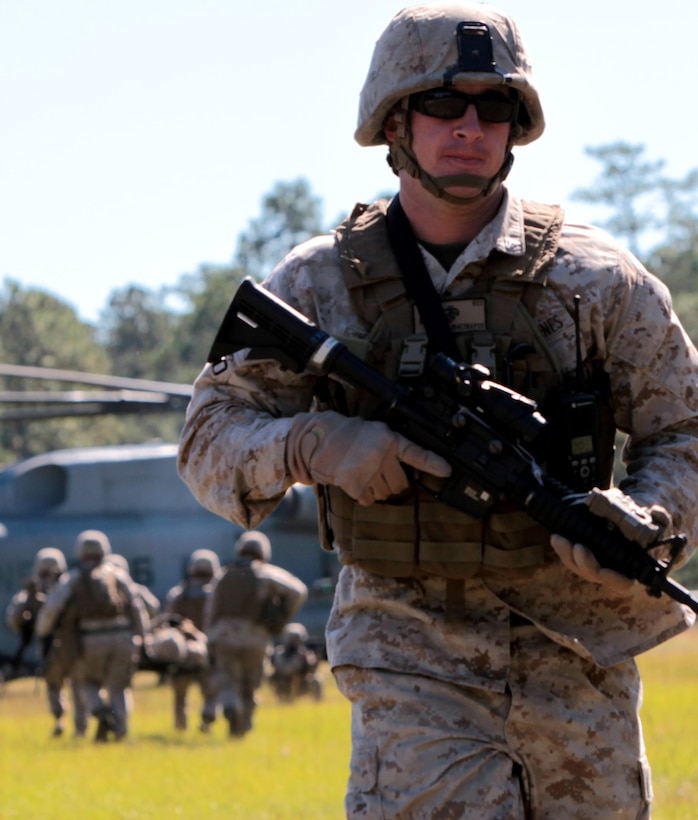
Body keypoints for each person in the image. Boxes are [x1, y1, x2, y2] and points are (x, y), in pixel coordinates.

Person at [178, 2, 698, 815]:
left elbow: (685, 432)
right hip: (407, 653)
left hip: (579, 663)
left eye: (495, 107)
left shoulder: (598, 282)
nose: (470, 126)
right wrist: (317, 443)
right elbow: (210, 442)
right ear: (394, 123)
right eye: (443, 105)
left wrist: (648, 514)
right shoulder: (322, 283)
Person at [36, 530, 150, 742]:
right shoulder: (117, 575)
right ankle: (120, 731)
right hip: (122, 638)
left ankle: (99, 710)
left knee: (86, 682)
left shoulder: (73, 578)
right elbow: (137, 606)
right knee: (118, 688)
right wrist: (143, 638)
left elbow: (52, 608)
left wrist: (42, 631)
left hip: (89, 640)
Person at [204, 531, 307, 737]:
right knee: (250, 686)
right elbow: (299, 591)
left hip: (224, 636)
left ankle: (231, 705)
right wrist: (281, 616)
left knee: (227, 680)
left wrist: (211, 638)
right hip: (256, 636)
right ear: (263, 552)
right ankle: (245, 728)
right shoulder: (266, 573)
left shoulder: (222, 575)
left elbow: (211, 611)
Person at [5, 547, 87, 737]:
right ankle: (76, 727)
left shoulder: (51, 591)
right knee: (73, 686)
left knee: (57, 686)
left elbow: (13, 619)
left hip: (53, 648)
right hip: (68, 646)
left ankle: (64, 721)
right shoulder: (69, 588)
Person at [162, 548, 220, 732]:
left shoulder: (178, 594)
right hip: (208, 651)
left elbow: (168, 621)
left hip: (183, 653)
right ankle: (208, 720)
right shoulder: (217, 593)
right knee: (211, 693)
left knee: (180, 697)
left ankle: (181, 728)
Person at [268, 622, 322, 703]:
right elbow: (284, 670)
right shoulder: (279, 653)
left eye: (298, 639)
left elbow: (312, 670)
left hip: (301, 685)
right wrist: (297, 659)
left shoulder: (305, 654)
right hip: (284, 684)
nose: (295, 642)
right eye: (293, 639)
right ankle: (282, 701)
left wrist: (312, 660)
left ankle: (317, 705)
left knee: (316, 681)